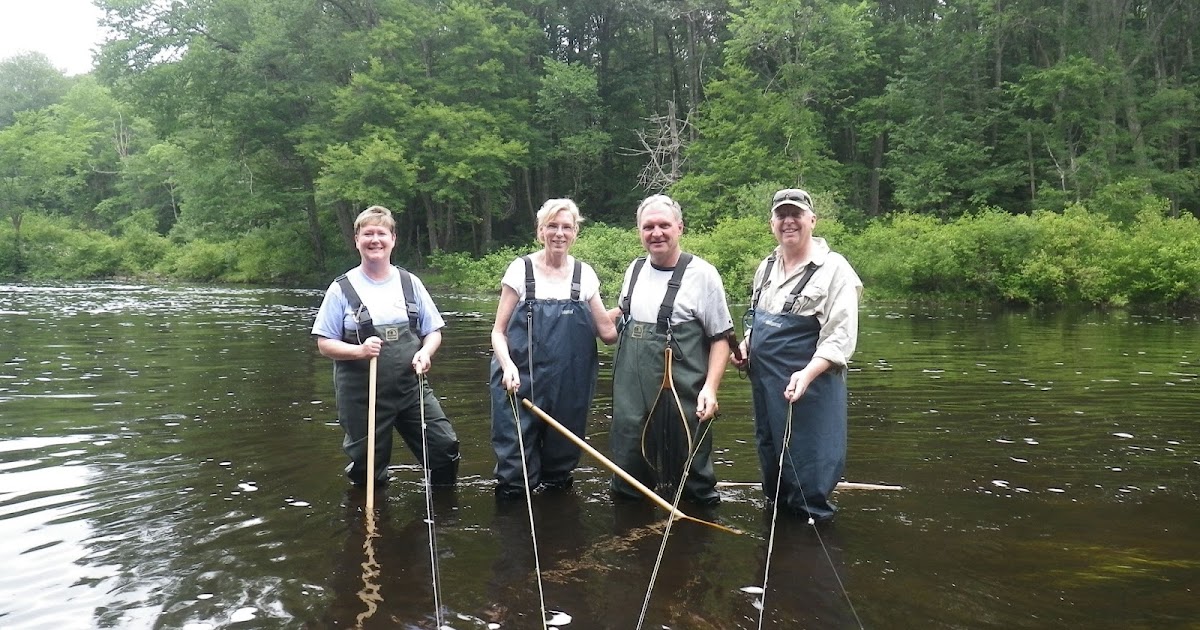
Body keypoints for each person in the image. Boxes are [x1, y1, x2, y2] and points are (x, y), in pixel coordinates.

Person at [730, 189, 862, 522]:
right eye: (781, 215)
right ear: (772, 223)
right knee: (772, 465)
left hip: (812, 387)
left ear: (812, 221)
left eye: (796, 214)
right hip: (765, 386)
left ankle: (810, 545)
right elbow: (758, 320)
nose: (788, 221)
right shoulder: (766, 266)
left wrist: (807, 374)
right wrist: (747, 346)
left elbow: (840, 338)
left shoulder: (835, 270)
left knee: (808, 470)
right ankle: (778, 520)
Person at [312, 205, 460, 488]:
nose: (375, 240)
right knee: (368, 470)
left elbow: (433, 332)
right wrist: (359, 351)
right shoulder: (341, 288)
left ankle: (443, 515)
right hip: (361, 394)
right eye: (368, 234)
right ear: (357, 240)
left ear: (393, 239)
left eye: (381, 233)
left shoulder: (410, 283)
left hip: (411, 388)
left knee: (444, 448)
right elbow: (324, 344)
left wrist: (425, 353)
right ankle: (371, 525)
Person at [607, 194, 734, 505]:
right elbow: (621, 317)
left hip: (684, 390)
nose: (656, 233)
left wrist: (711, 389)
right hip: (632, 390)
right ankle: (633, 536)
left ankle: (696, 531)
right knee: (628, 468)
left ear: (680, 227)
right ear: (639, 231)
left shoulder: (703, 275)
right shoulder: (633, 270)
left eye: (664, 225)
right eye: (648, 226)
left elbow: (721, 338)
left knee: (692, 472)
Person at [489, 198, 617, 499]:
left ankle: (559, 534)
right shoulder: (520, 270)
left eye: (566, 227)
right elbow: (498, 332)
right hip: (518, 381)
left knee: (560, 467)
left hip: (569, 384)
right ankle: (514, 531)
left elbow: (607, 334)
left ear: (575, 233)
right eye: (552, 226)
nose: (559, 233)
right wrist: (507, 366)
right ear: (540, 230)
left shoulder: (584, 275)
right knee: (515, 469)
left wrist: (627, 307)